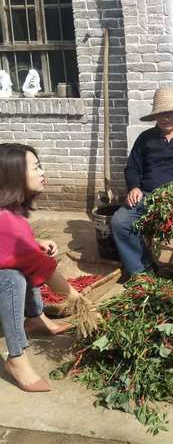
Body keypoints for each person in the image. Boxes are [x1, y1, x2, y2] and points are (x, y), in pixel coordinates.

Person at [0, 143, 83, 392]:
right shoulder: (5, 220)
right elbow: (43, 270)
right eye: (36, 168)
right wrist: (81, 304)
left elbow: (14, 246)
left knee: (26, 260)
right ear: (14, 175)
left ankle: (36, 319)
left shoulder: (9, 210)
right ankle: (16, 357)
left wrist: (34, 242)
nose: (42, 173)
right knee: (11, 277)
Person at [111, 87, 173, 282]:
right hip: (147, 196)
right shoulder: (145, 139)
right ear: (155, 116)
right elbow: (132, 168)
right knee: (120, 222)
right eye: (161, 114)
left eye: (170, 113)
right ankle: (142, 270)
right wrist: (134, 187)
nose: (166, 118)